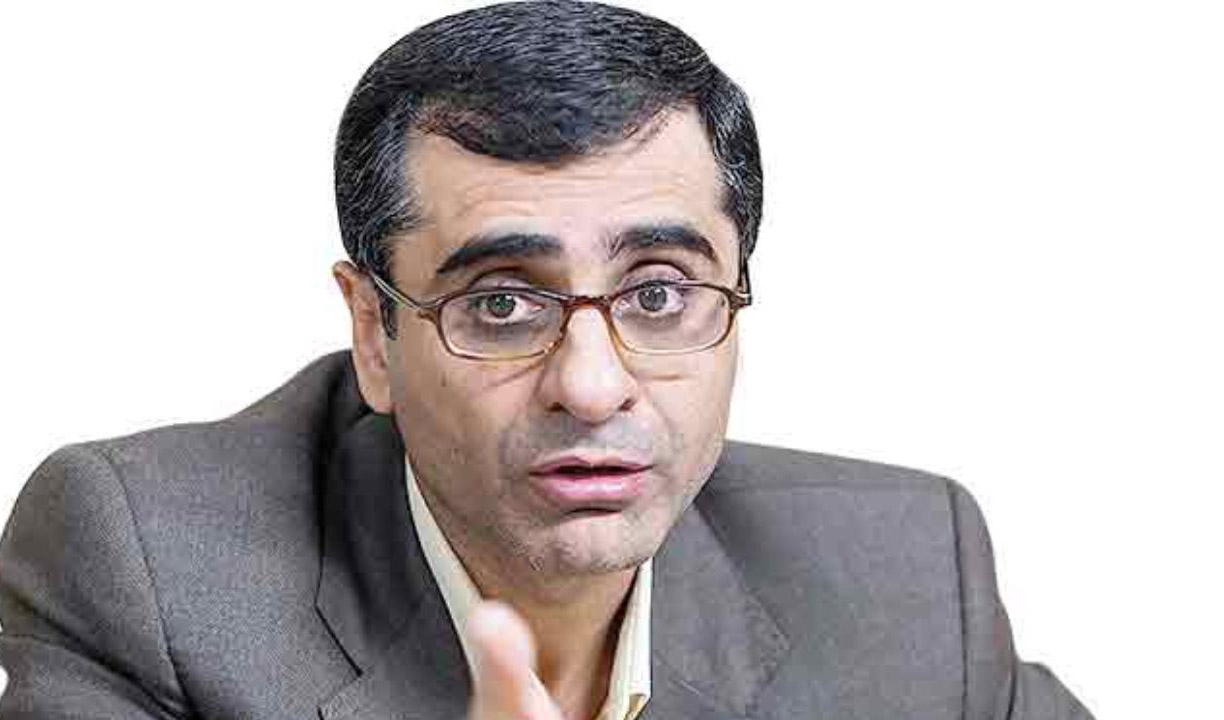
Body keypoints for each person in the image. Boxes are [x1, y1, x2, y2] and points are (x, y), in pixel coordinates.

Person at [0, 2, 1094, 718]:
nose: (591, 384)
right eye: (502, 303)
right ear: (375, 333)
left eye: (657, 294)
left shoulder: (908, 578)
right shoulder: (145, 569)